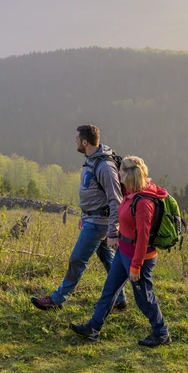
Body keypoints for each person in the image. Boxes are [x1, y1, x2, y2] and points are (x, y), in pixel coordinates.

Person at [69, 155, 172, 347]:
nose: (118, 174)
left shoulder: (143, 203)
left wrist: (136, 266)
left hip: (138, 258)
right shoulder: (130, 192)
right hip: (123, 252)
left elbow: (142, 237)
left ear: (129, 174)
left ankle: (161, 333)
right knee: (109, 291)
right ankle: (94, 328)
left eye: (121, 171)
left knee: (144, 298)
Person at [31, 125, 127, 311]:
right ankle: (119, 298)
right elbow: (92, 192)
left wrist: (113, 231)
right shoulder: (92, 160)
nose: (74, 141)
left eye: (76, 138)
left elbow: (116, 200)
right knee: (107, 257)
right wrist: (85, 214)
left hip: (98, 223)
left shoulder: (105, 167)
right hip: (92, 219)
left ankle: (57, 299)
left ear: (85, 142)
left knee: (77, 259)